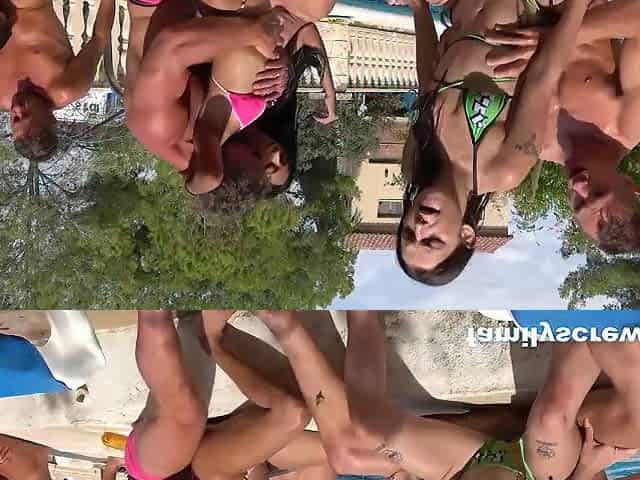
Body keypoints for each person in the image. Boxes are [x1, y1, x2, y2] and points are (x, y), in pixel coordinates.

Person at [257, 310, 640, 480]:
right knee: (553, 416)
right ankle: (592, 309)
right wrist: (586, 470)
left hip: (466, 469)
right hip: (536, 471)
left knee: (355, 442)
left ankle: (314, 318)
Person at [393, 0, 591, 285]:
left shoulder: (415, 162)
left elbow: (427, 85)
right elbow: (543, 77)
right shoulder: (503, 169)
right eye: (432, 241)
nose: (421, 227)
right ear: (466, 235)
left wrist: (418, 8)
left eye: (409, 233)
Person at [126, 0, 336, 203]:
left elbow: (170, 45)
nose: (277, 154)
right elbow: (302, 26)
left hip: (155, 7)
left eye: (265, 167)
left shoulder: (163, 131)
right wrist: (283, 60)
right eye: (285, 158)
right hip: (198, 15)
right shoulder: (246, 116)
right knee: (316, 6)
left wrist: (254, 33)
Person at [489, 0, 640, 254]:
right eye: (598, 191)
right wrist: (558, 41)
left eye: (579, 204)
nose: (579, 186)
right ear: (628, 184)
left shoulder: (533, 144)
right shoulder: (627, 124)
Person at [0, 0, 115, 161]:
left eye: (14, 119)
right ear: (50, 118)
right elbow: (99, 38)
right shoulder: (67, 87)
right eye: (25, 115)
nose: (16, 109)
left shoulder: (1, 96)